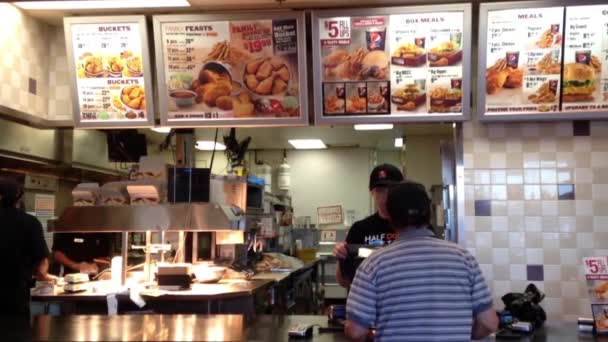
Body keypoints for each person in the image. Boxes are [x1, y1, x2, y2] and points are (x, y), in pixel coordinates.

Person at [345, 181, 498, 341]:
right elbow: (489, 323)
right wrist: (464, 333)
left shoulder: (373, 264)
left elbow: (356, 332)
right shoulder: (464, 258)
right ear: (429, 213)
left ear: (389, 215)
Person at [333, 164, 404, 288]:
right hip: (367, 304)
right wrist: (341, 257)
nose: (385, 197)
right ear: (371, 193)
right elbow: (344, 282)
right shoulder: (359, 229)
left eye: (391, 190)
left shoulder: (413, 228)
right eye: (380, 191)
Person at [0, 178, 55, 321]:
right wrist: (48, 277)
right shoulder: (30, 222)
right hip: (15, 298)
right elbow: (41, 269)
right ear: (18, 198)